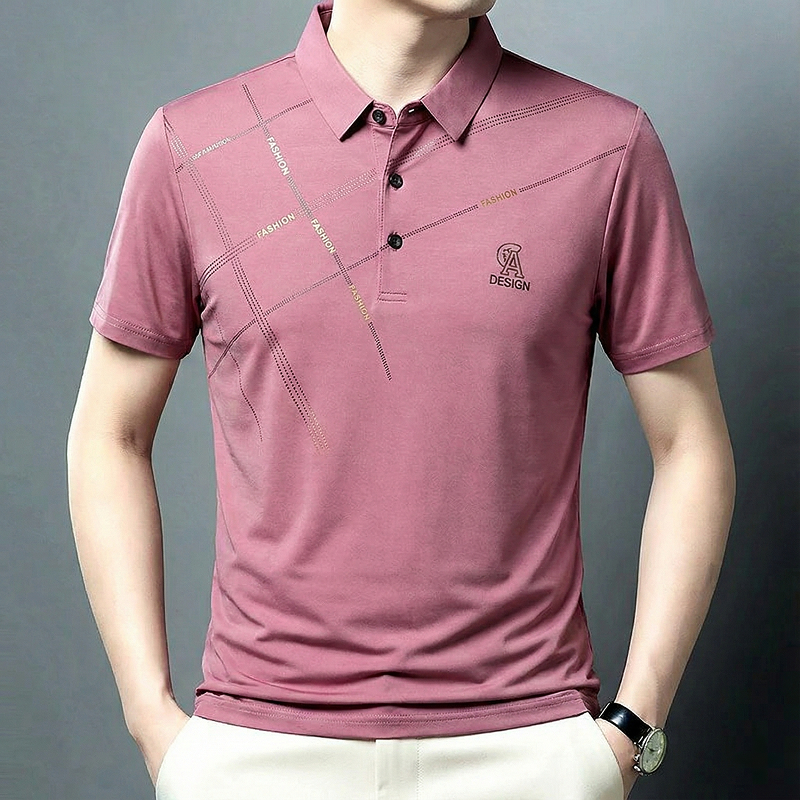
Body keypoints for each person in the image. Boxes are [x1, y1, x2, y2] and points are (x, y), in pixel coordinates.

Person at [66, 0, 736, 798]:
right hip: (259, 752)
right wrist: (153, 721)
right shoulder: (194, 144)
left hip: (526, 751)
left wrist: (632, 725)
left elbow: (690, 444)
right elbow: (109, 434)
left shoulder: (605, 145)